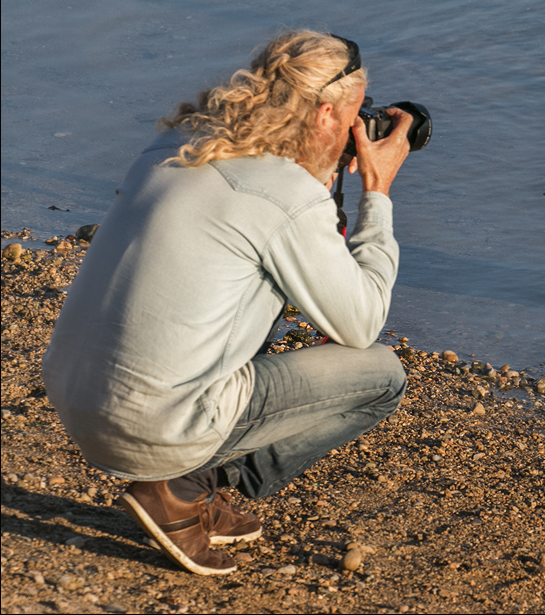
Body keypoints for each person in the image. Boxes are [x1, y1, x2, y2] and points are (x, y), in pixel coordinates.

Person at [42, 30, 412, 575]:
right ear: (327, 116)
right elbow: (361, 323)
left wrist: (314, 176)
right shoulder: (285, 195)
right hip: (155, 427)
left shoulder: (176, 145)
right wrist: (376, 193)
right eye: (356, 117)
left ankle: (179, 485)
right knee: (381, 374)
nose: (359, 132)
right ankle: (188, 488)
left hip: (73, 399)